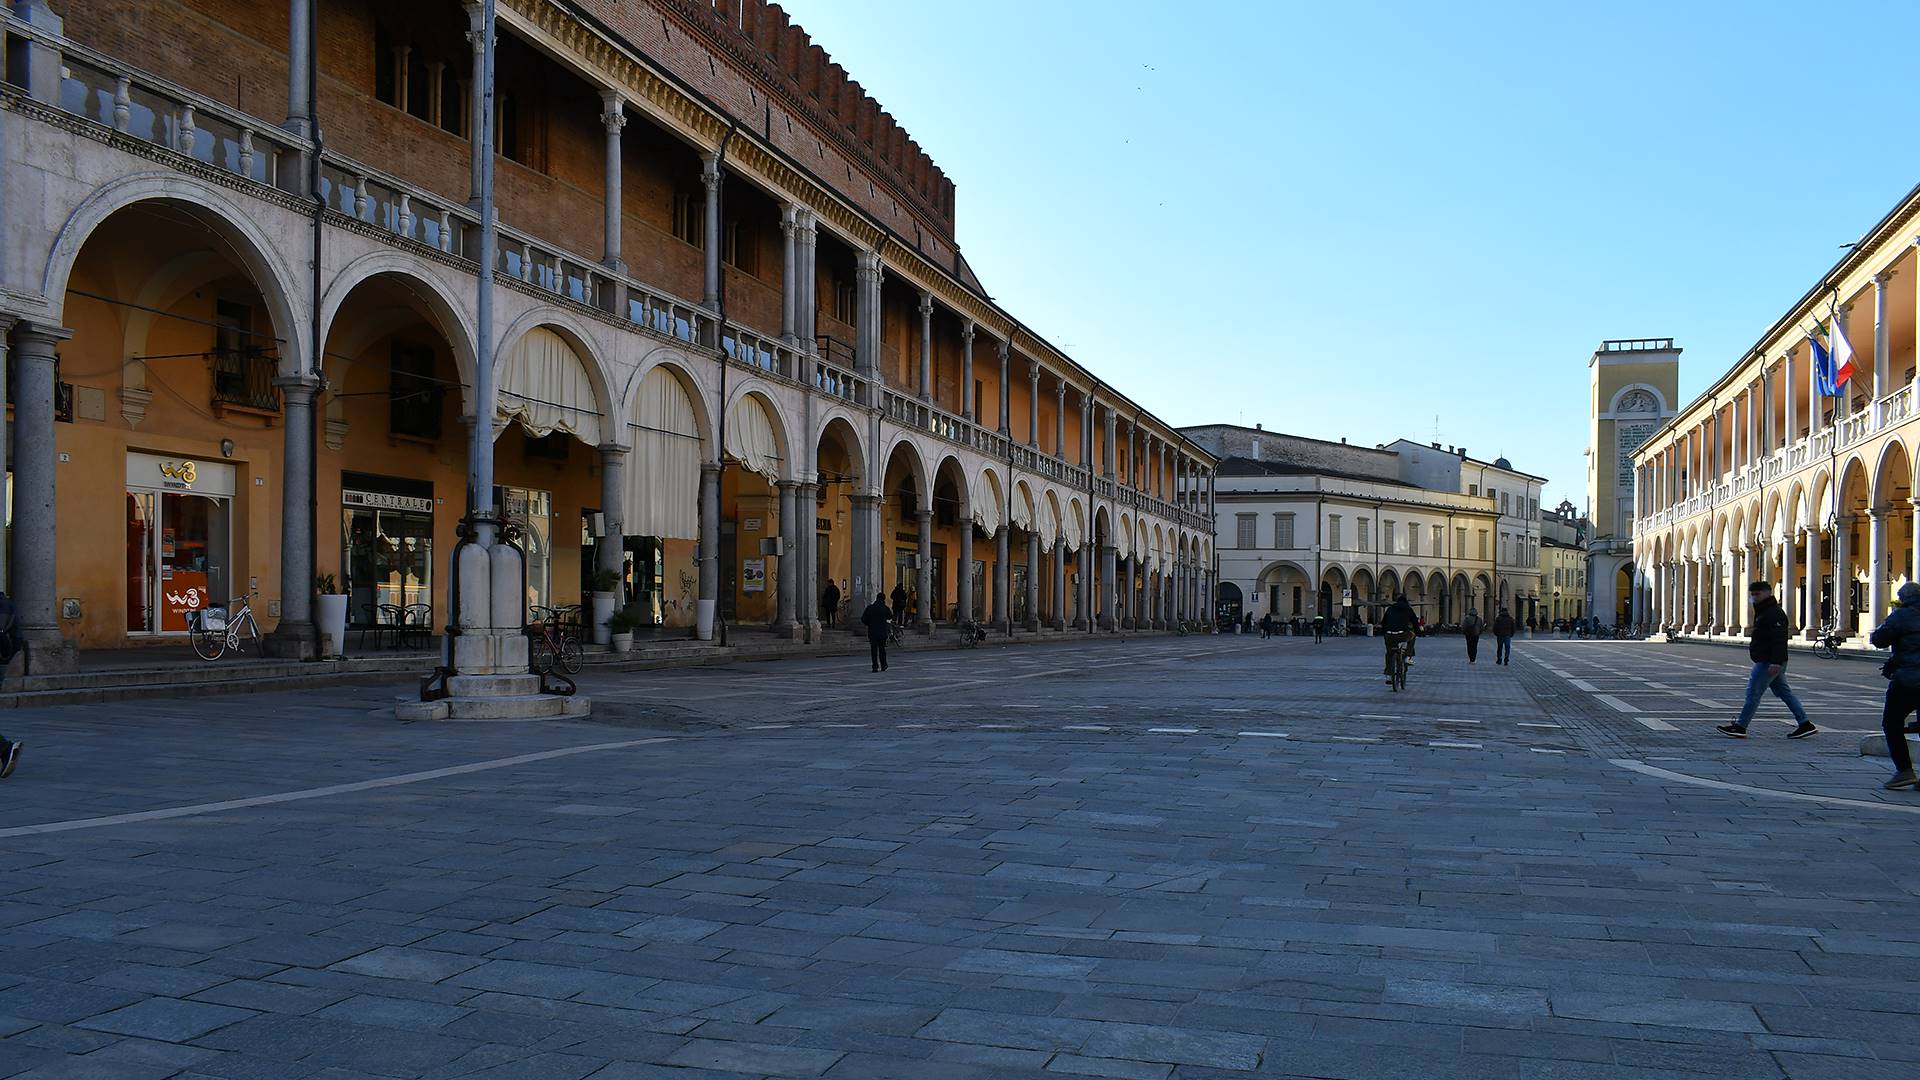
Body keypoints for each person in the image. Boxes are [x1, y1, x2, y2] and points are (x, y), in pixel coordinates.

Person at [1717, 580, 1818, 740]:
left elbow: (1779, 639)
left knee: (1753, 692)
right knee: (1784, 693)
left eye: (1758, 594)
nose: (1754, 598)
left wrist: (1776, 662)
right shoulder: (1765, 611)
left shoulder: (1774, 613)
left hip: (1768, 661)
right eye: (1752, 594)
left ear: (1767, 593)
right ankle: (1805, 724)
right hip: (1768, 660)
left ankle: (1741, 727)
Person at [1871, 582, 1920, 789]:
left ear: (1902, 598)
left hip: (1908, 680)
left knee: (1891, 723)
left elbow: (1879, 639)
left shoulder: (1901, 615)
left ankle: (1904, 770)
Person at [1380, 594, 1417, 682]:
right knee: (1413, 636)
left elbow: (1383, 622)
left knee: (1389, 654)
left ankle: (1389, 675)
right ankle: (1408, 656)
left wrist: (1384, 632)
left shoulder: (1390, 609)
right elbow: (1415, 622)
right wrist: (1420, 632)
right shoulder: (1408, 609)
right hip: (1402, 634)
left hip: (1389, 635)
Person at [861, 593, 892, 672]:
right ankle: (883, 664)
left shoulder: (870, 608)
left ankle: (875, 666)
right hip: (882, 632)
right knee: (882, 649)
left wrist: (869, 624)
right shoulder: (885, 608)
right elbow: (890, 616)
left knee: (874, 650)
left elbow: (863, 619)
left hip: (872, 632)